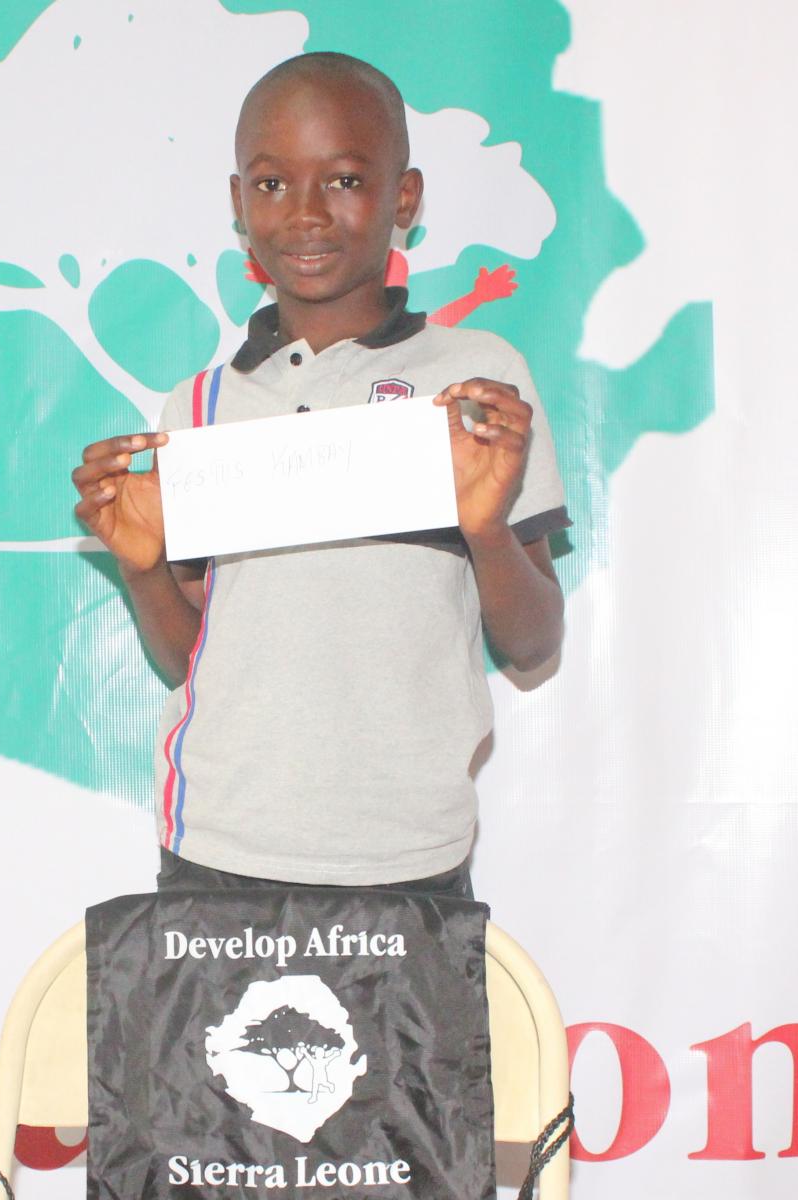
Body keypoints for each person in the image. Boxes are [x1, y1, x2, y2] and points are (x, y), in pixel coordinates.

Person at [71, 52, 569, 899]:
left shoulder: (476, 383)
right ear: (239, 203)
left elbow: (533, 643)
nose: (305, 213)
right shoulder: (198, 405)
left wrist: (485, 531)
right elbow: (188, 657)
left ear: (403, 198)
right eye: (272, 184)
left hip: (411, 849)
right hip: (218, 844)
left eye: (343, 180)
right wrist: (142, 568)